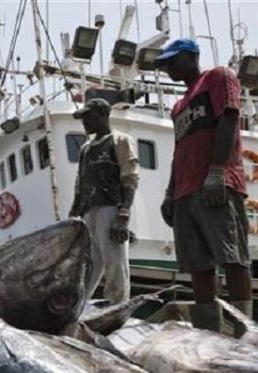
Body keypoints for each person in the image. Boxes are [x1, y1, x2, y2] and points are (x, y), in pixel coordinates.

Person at [155, 38, 252, 330]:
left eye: (173, 61)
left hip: (216, 183)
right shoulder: (177, 107)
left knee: (233, 257)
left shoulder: (219, 77)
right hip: (185, 192)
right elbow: (179, 150)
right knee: (198, 266)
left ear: (191, 56)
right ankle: (208, 333)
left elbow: (229, 120)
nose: (168, 68)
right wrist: (170, 193)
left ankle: (244, 332)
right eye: (165, 64)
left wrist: (217, 171)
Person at [69, 98, 139, 305]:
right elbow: (79, 183)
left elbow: (130, 177)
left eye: (88, 117)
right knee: (89, 265)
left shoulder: (120, 141)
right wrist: (74, 211)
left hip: (111, 207)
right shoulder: (85, 149)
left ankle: (117, 304)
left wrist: (123, 214)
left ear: (103, 115)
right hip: (89, 211)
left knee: (114, 261)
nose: (85, 122)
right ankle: (79, 307)